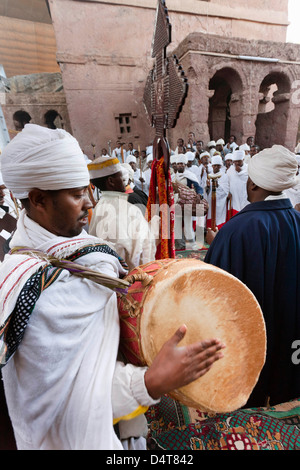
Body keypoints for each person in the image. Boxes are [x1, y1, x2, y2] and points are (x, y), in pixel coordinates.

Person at [0, 124, 225, 451]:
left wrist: (120, 288)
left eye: (88, 190)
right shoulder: (33, 289)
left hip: (122, 422)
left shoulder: (79, 249)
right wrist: (150, 382)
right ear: (38, 200)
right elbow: (67, 408)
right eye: (77, 195)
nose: (90, 204)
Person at [205, 144, 300, 408]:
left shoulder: (235, 231)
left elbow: (216, 294)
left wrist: (217, 243)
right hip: (290, 347)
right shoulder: (297, 221)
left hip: (249, 353)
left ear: (254, 185)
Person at [88, 155, 159, 270]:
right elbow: (141, 252)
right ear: (111, 181)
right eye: (121, 177)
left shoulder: (100, 206)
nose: (124, 181)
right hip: (130, 279)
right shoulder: (125, 209)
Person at [205, 155, 230, 230]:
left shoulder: (224, 176)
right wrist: (208, 187)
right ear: (212, 166)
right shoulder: (209, 176)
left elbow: (225, 190)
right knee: (210, 215)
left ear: (220, 166)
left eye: (218, 165)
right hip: (210, 200)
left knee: (219, 219)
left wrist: (217, 185)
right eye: (214, 165)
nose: (216, 167)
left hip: (220, 203)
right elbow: (206, 191)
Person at [227, 149, 249, 216]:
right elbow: (227, 182)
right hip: (234, 196)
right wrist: (228, 192)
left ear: (243, 159)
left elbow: (249, 180)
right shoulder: (230, 169)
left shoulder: (248, 168)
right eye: (235, 162)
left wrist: (240, 172)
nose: (236, 163)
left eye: (238, 161)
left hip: (245, 196)